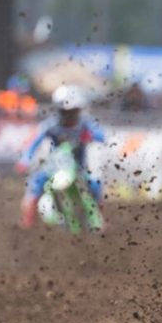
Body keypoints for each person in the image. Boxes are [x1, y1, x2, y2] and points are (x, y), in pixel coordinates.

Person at [16, 85, 105, 229]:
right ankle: (27, 223)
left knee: (95, 184)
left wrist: (91, 136)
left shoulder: (85, 125)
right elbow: (34, 142)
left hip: (78, 168)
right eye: (65, 112)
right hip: (54, 168)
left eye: (73, 112)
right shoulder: (51, 125)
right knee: (36, 183)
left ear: (78, 111)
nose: (69, 116)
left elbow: (102, 136)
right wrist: (25, 160)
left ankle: (98, 222)